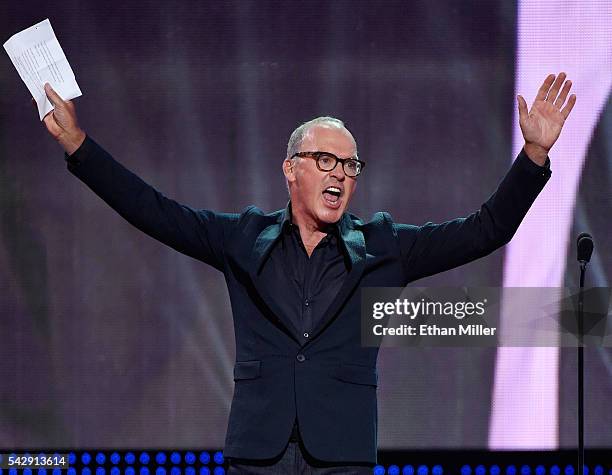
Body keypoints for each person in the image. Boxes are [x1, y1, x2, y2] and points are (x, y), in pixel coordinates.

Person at [37, 73, 575, 474]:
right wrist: (79, 148)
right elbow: (152, 210)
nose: (340, 173)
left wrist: (531, 155)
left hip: (340, 454)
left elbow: (485, 230)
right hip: (258, 452)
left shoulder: (385, 248)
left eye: (350, 166)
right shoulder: (244, 239)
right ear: (291, 169)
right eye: (326, 161)